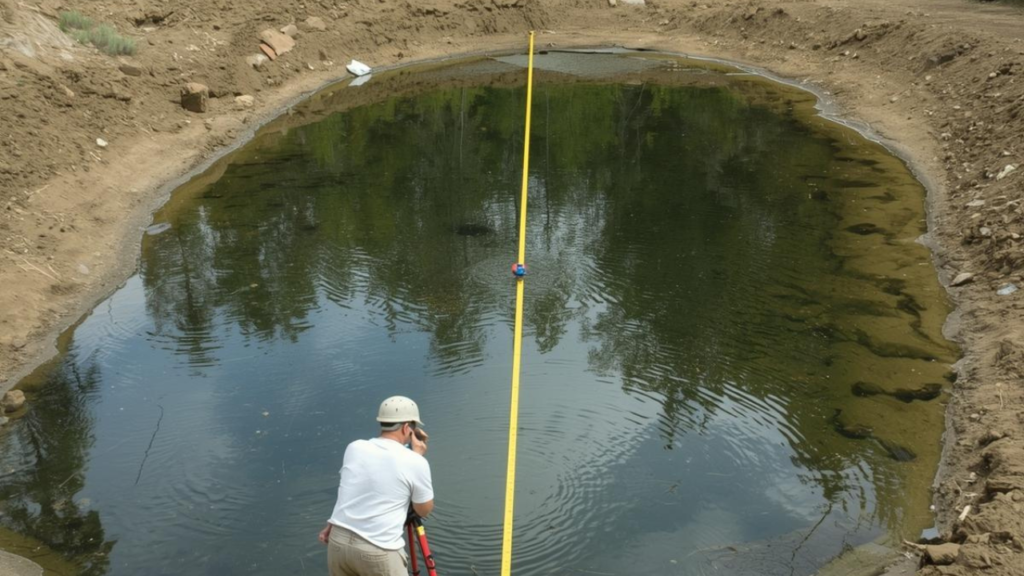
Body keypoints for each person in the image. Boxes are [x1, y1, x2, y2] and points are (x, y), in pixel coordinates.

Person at [318, 396, 434, 576]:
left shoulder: (354, 447)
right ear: (406, 428)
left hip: (338, 543)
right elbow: (423, 509)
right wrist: (417, 456)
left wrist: (332, 524)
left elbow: (350, 490)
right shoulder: (415, 461)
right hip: (379, 548)